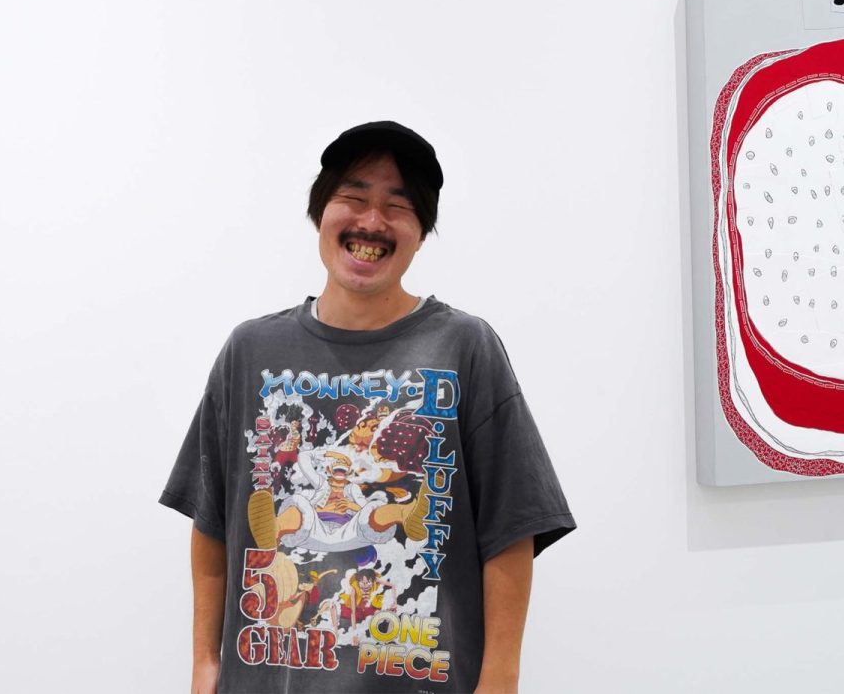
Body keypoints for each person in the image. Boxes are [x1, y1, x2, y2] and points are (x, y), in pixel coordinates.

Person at [159, 121, 575, 693]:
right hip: (268, 674)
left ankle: (401, 523)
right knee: (286, 517)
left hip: (420, 674)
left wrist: (500, 681)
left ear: (421, 233)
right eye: (353, 197)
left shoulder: (464, 347)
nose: (372, 222)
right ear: (319, 213)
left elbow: (512, 527)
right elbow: (211, 521)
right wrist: (206, 664)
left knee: (384, 520)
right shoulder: (251, 352)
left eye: (397, 206)